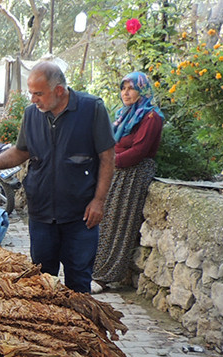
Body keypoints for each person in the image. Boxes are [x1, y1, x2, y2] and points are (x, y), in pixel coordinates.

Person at [0, 61, 115, 294]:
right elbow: (21, 151)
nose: (33, 99)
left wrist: (99, 201)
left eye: (38, 94)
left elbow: (108, 158)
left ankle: (78, 330)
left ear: (59, 90)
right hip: (41, 215)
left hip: (80, 216)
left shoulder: (92, 109)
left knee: (79, 282)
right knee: (41, 282)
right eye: (31, 93)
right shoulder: (32, 115)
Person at [93, 70, 165, 290]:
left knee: (119, 223)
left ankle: (104, 276)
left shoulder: (151, 117)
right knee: (103, 221)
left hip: (133, 175)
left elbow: (139, 151)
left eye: (131, 88)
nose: (126, 92)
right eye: (123, 88)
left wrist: (108, 162)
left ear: (142, 90)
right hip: (117, 171)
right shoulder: (123, 114)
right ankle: (93, 269)